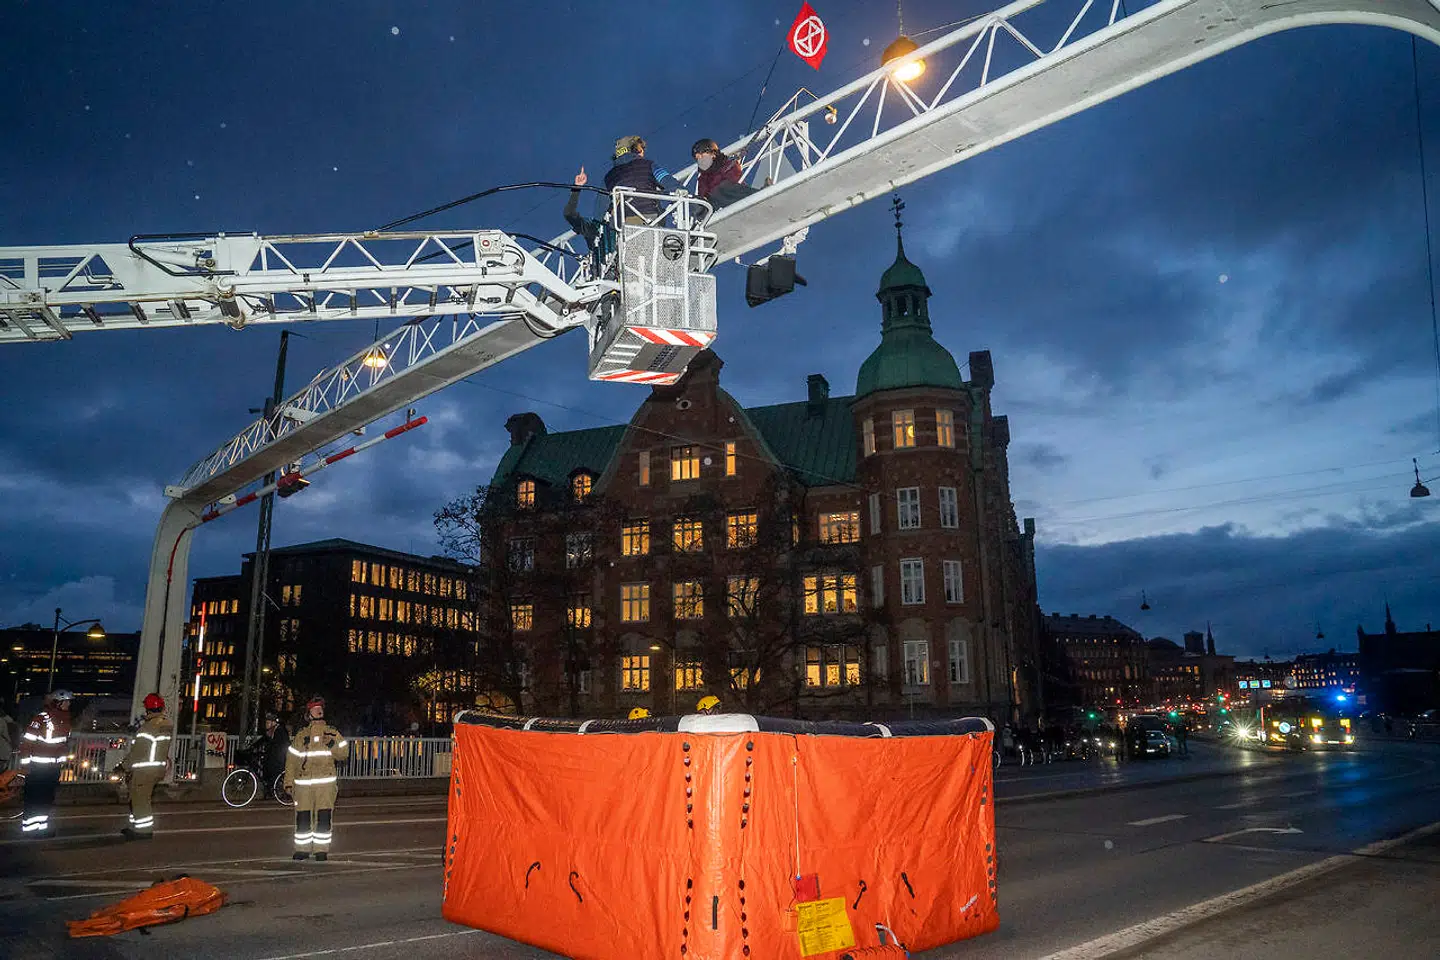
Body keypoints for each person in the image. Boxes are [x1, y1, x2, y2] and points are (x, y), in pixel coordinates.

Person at [285, 697, 350, 861]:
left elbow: (344, 754)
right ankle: (302, 849)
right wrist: (288, 782)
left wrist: (331, 745)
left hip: (325, 785)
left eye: (320, 707)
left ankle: (321, 850)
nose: (319, 710)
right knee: (303, 818)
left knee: (323, 817)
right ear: (309, 714)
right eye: (315, 708)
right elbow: (291, 760)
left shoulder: (332, 733)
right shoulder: (302, 736)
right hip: (303, 785)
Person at [18, 690, 73, 837]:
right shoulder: (41, 718)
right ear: (57, 702)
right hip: (37, 768)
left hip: (53, 769)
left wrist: (62, 763)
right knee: (35, 798)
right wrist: (25, 765)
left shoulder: (65, 720)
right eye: (66, 701)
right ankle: (29, 830)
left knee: (47, 798)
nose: (68, 704)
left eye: (69, 702)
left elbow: (63, 744)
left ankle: (41, 828)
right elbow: (27, 742)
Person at [117, 693, 171, 840]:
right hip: (157, 768)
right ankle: (135, 826)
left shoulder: (147, 728)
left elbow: (138, 752)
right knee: (137, 797)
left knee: (141, 800)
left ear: (147, 709)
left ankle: (143, 831)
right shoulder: (166, 725)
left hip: (144, 769)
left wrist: (123, 766)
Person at [604, 136, 681, 221]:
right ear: (634, 150)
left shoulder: (608, 177)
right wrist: (696, 207)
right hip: (648, 220)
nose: (643, 153)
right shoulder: (648, 165)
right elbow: (670, 183)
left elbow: (601, 209)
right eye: (641, 149)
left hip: (620, 225)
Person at [691, 138, 758, 210]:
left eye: (702, 156)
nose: (700, 159)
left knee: (722, 188)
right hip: (715, 205)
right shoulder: (702, 178)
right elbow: (703, 194)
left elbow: (733, 178)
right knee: (696, 201)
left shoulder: (728, 164)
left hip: (732, 197)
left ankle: (758, 194)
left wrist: (711, 193)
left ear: (713, 154)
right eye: (697, 158)